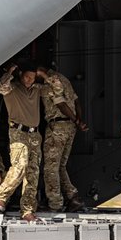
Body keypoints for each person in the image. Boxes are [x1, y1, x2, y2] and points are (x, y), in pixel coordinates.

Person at [0, 65, 44, 221]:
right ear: (21, 74)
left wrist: (44, 75)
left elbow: (57, 89)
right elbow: (1, 86)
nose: (30, 80)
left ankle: (27, 209)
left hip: (35, 135)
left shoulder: (37, 89)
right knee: (20, 166)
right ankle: (0, 198)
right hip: (18, 132)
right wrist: (9, 73)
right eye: (27, 76)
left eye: (33, 77)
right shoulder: (12, 88)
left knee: (32, 174)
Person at [37, 65, 86, 212]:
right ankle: (73, 196)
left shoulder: (50, 82)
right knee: (60, 166)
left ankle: (55, 203)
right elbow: (77, 101)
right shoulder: (64, 79)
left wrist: (77, 121)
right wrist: (77, 121)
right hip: (69, 127)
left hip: (57, 126)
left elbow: (61, 104)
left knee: (51, 167)